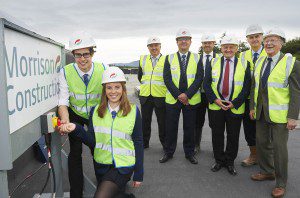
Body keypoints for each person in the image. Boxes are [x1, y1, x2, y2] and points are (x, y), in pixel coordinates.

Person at [59, 67, 144, 198]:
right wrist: (75, 128)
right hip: (102, 166)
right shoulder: (96, 111)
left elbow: (138, 142)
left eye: (117, 87)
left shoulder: (133, 111)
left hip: (123, 165)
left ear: (123, 89)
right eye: (109, 87)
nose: (113, 91)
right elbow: (92, 141)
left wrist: (138, 173)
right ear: (104, 90)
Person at [249, 28, 300, 198]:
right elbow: (254, 87)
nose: (269, 43)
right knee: (262, 143)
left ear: (282, 43)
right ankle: (267, 171)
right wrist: (252, 107)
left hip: (280, 115)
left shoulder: (291, 63)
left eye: (274, 40)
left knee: (279, 149)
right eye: (267, 40)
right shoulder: (260, 61)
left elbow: (296, 92)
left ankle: (280, 182)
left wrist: (293, 116)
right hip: (261, 112)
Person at [58, 32, 106, 197]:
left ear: (92, 53)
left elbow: (110, 96)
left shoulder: (103, 69)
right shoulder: (65, 72)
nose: (82, 59)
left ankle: (104, 189)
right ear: (73, 55)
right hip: (75, 114)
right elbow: (63, 101)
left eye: (86, 54)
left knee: (98, 151)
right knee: (75, 152)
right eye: (78, 55)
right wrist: (65, 121)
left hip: (96, 114)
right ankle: (76, 193)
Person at [204, 35, 251, 175]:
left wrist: (234, 103)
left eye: (231, 47)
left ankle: (230, 162)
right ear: (221, 48)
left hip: (235, 107)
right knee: (217, 134)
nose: (228, 49)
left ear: (236, 48)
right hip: (216, 106)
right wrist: (216, 100)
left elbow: (247, 87)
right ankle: (219, 160)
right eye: (225, 47)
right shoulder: (212, 62)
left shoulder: (245, 64)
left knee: (233, 136)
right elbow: (206, 84)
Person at [160, 28, 203, 164]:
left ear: (190, 41)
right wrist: (179, 95)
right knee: (170, 127)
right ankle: (169, 152)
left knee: (190, 128)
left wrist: (187, 95)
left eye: (186, 39)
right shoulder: (169, 58)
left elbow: (199, 78)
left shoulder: (197, 57)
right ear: (177, 42)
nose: (183, 41)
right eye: (180, 39)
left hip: (191, 99)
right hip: (173, 99)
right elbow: (167, 78)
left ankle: (189, 153)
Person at [240, 24, 267, 167]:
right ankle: (253, 155)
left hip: (264, 100)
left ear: (262, 37)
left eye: (257, 36)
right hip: (247, 98)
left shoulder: (269, 52)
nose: (254, 39)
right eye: (251, 37)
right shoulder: (243, 55)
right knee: (249, 130)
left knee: (264, 131)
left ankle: (266, 159)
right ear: (247, 40)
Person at [138, 36, 166, 149]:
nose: (154, 48)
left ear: (160, 46)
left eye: (156, 45)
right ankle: (144, 143)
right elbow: (140, 76)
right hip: (145, 96)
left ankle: (165, 144)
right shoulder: (143, 59)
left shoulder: (166, 59)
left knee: (162, 122)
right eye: (151, 46)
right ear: (148, 47)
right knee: (145, 122)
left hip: (160, 95)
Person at [194, 34, 219, 154]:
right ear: (202, 45)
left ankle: (216, 148)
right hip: (199, 94)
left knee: (214, 123)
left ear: (214, 43)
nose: (207, 45)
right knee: (197, 122)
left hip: (213, 96)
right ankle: (196, 145)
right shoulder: (196, 58)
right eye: (205, 43)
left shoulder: (219, 58)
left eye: (209, 42)